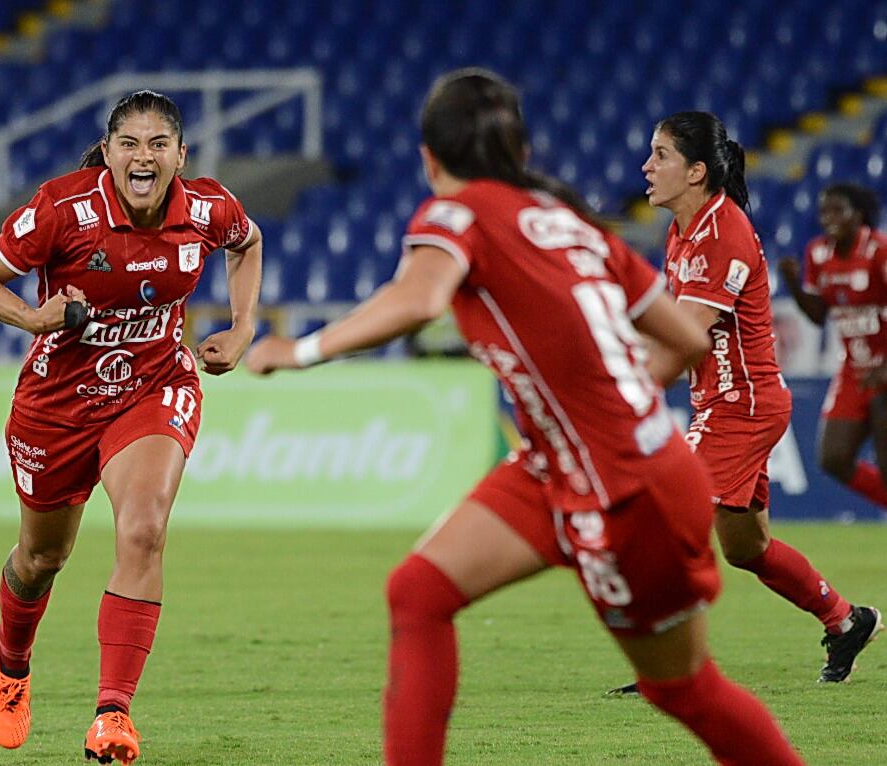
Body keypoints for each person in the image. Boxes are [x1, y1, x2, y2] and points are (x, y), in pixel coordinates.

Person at [247, 69, 804, 766]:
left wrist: (294, 351)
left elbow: (418, 301)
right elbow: (687, 338)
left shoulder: (456, 213)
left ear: (430, 156)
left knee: (683, 690)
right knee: (417, 591)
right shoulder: (570, 222)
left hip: (624, 485)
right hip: (563, 463)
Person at [0, 89, 262, 764]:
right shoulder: (61, 209)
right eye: (130, 144)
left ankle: (112, 715)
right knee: (41, 560)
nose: (144, 156)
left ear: (180, 154)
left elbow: (248, 241)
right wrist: (33, 318)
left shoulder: (208, 207)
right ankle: (11, 662)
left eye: (158, 144)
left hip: (153, 386)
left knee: (144, 529)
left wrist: (242, 328)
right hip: (57, 405)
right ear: (109, 151)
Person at [626, 113, 881, 693]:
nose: (646, 166)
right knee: (747, 547)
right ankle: (846, 620)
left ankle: (672, 668)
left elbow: (685, 335)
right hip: (719, 403)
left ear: (695, 171)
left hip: (740, 407)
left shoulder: (724, 232)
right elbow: (669, 331)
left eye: (660, 154)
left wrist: (615, 390)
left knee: (661, 515)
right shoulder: (683, 232)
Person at [779, 184, 887, 510]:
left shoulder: (878, 251)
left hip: (884, 368)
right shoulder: (818, 253)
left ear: (859, 214)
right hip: (853, 371)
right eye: (825, 211)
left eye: (838, 210)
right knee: (832, 457)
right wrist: (794, 286)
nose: (829, 218)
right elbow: (818, 316)